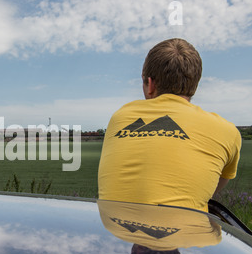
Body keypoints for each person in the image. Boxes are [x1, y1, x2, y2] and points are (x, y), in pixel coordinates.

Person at [98, 38, 242, 212]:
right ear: (195, 85)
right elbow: (214, 185)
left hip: (116, 234)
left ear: (150, 84)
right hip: (188, 235)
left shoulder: (120, 116)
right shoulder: (228, 131)